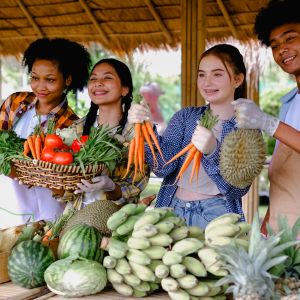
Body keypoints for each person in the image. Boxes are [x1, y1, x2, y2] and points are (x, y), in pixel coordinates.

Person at [128, 44, 251, 229]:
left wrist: (213, 151)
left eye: (217, 74)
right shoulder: (186, 117)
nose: (207, 82)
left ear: (238, 79)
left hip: (217, 215)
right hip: (173, 209)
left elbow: (237, 189)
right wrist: (145, 130)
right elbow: (163, 167)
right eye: (202, 74)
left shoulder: (246, 128)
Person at [0, 38, 91, 228]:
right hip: (7, 201)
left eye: (50, 80)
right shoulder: (15, 102)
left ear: (67, 79)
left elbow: (64, 180)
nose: (40, 87)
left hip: (46, 212)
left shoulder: (72, 125)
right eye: (35, 78)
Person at [232, 0, 300, 232]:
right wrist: (265, 226)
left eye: (290, 38)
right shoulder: (289, 101)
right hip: (281, 230)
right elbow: (283, 179)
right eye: (274, 45)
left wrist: (268, 123)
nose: (282, 49)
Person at [72, 58, 150, 207]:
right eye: (93, 78)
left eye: (107, 77)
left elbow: (136, 186)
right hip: (74, 218)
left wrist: (112, 187)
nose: (98, 83)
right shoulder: (77, 129)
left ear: (124, 89)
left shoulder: (137, 132)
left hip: (116, 222)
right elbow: (63, 187)